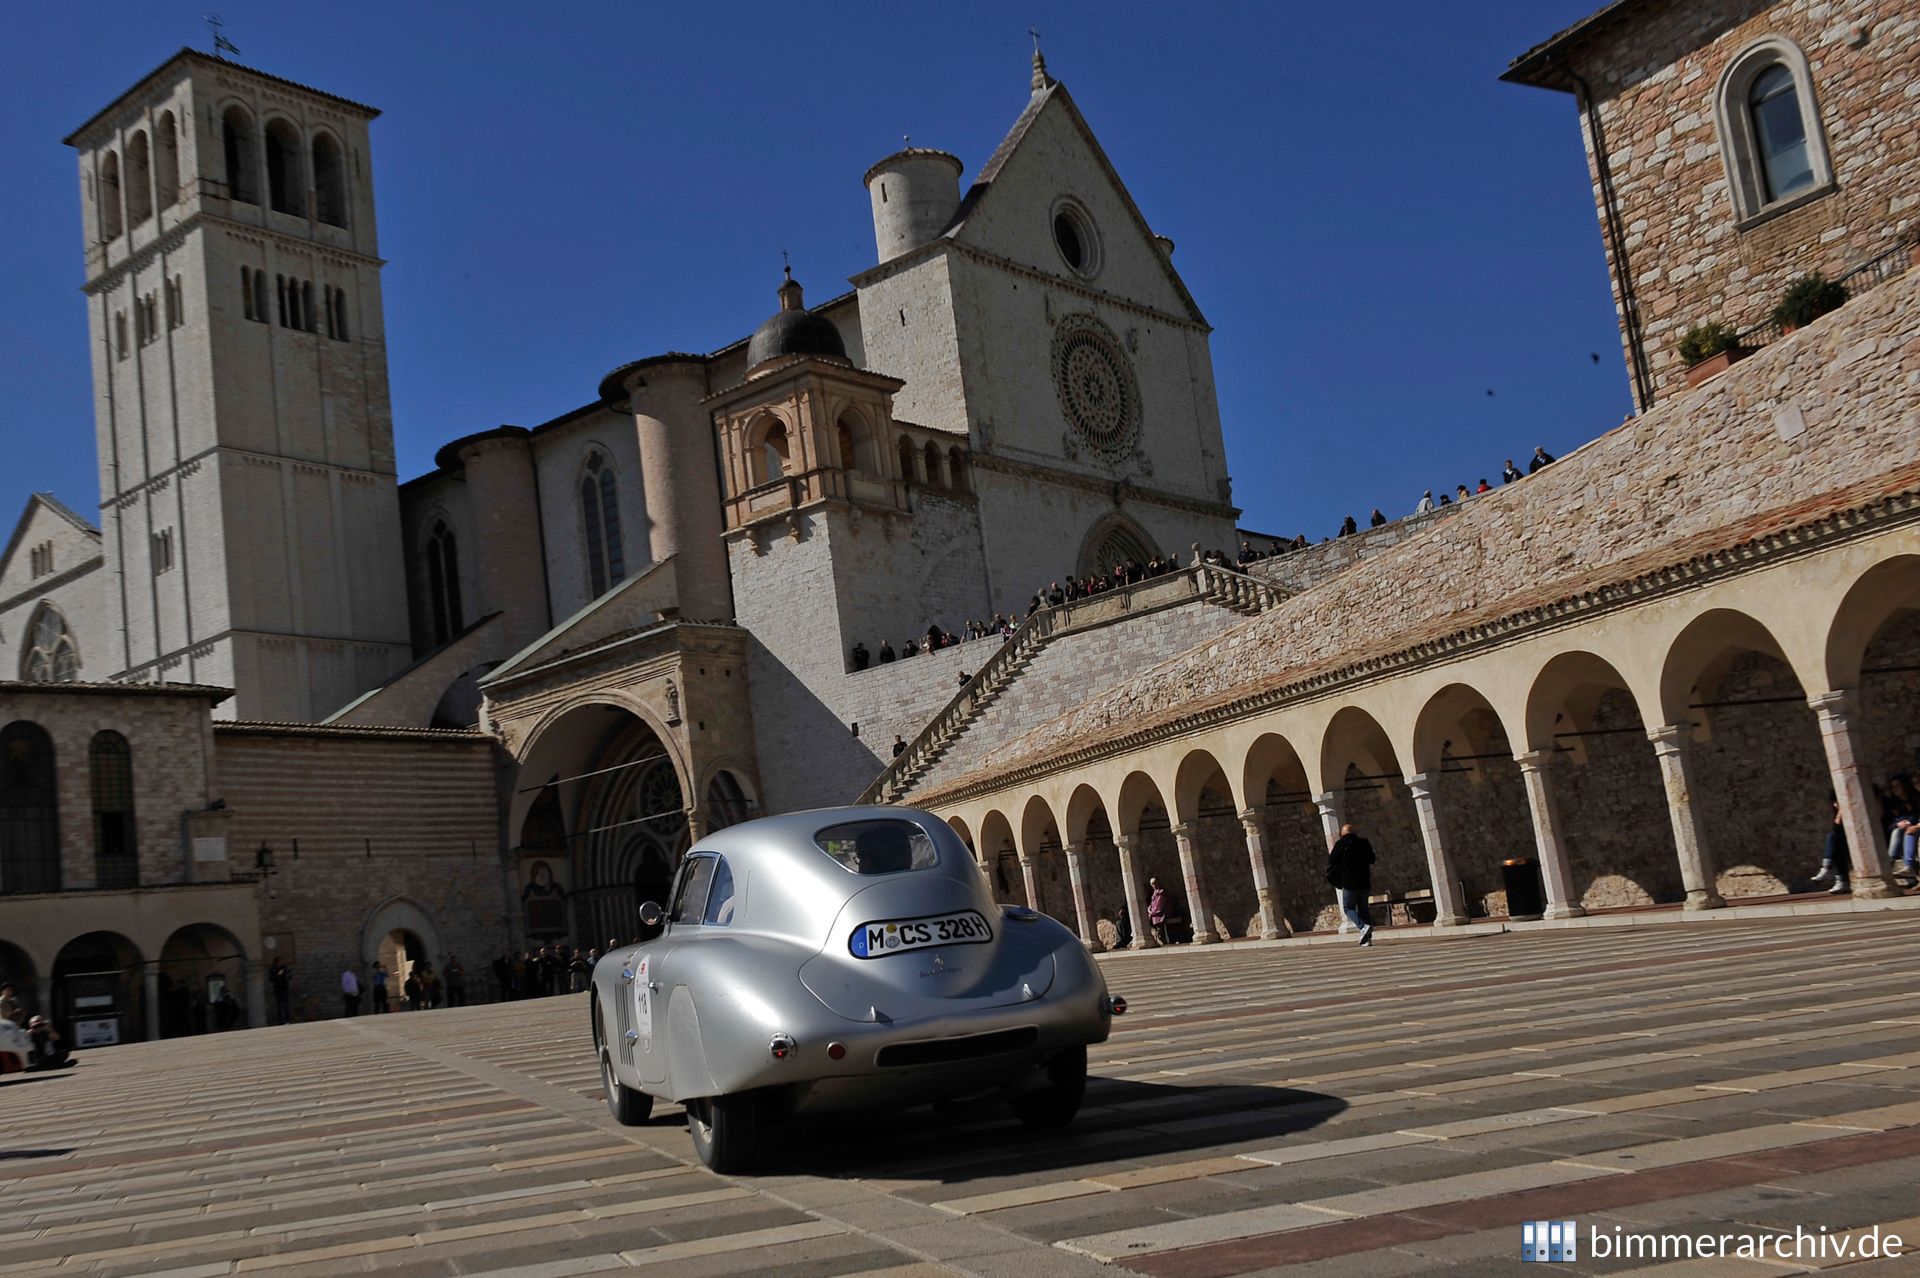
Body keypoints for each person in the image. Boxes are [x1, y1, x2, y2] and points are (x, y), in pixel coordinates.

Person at [1326, 822, 1377, 946]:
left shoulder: (1341, 844)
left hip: (1349, 882)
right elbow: (1372, 859)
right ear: (1353, 832)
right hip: (1365, 882)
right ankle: (1367, 939)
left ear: (1342, 834)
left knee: (1348, 908)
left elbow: (1332, 860)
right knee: (1364, 908)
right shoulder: (1364, 842)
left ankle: (1363, 926)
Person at [1810, 795, 1852, 894]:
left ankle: (1827, 868)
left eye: (1837, 802)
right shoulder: (1839, 815)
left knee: (1833, 838)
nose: (1835, 804)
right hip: (1847, 844)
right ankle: (1840, 880)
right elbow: (1837, 828)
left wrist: (1842, 810)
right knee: (1835, 843)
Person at [269, 957, 293, 1025]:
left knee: (286, 1006)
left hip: (284, 989)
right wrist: (278, 975)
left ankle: (288, 1021)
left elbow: (289, 977)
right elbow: (271, 979)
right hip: (278, 990)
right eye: (281, 961)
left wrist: (289, 974)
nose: (282, 962)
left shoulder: (284, 968)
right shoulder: (272, 969)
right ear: (277, 962)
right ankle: (280, 1022)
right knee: (279, 1006)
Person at [1147, 877, 1169, 946]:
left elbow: (1159, 905)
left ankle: (1161, 938)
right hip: (1154, 913)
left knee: (1157, 923)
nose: (1154, 886)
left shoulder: (1161, 892)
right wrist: (1149, 909)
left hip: (1160, 913)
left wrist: (1151, 912)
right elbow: (1152, 903)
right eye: (1152, 884)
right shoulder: (1154, 893)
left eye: (1155, 883)